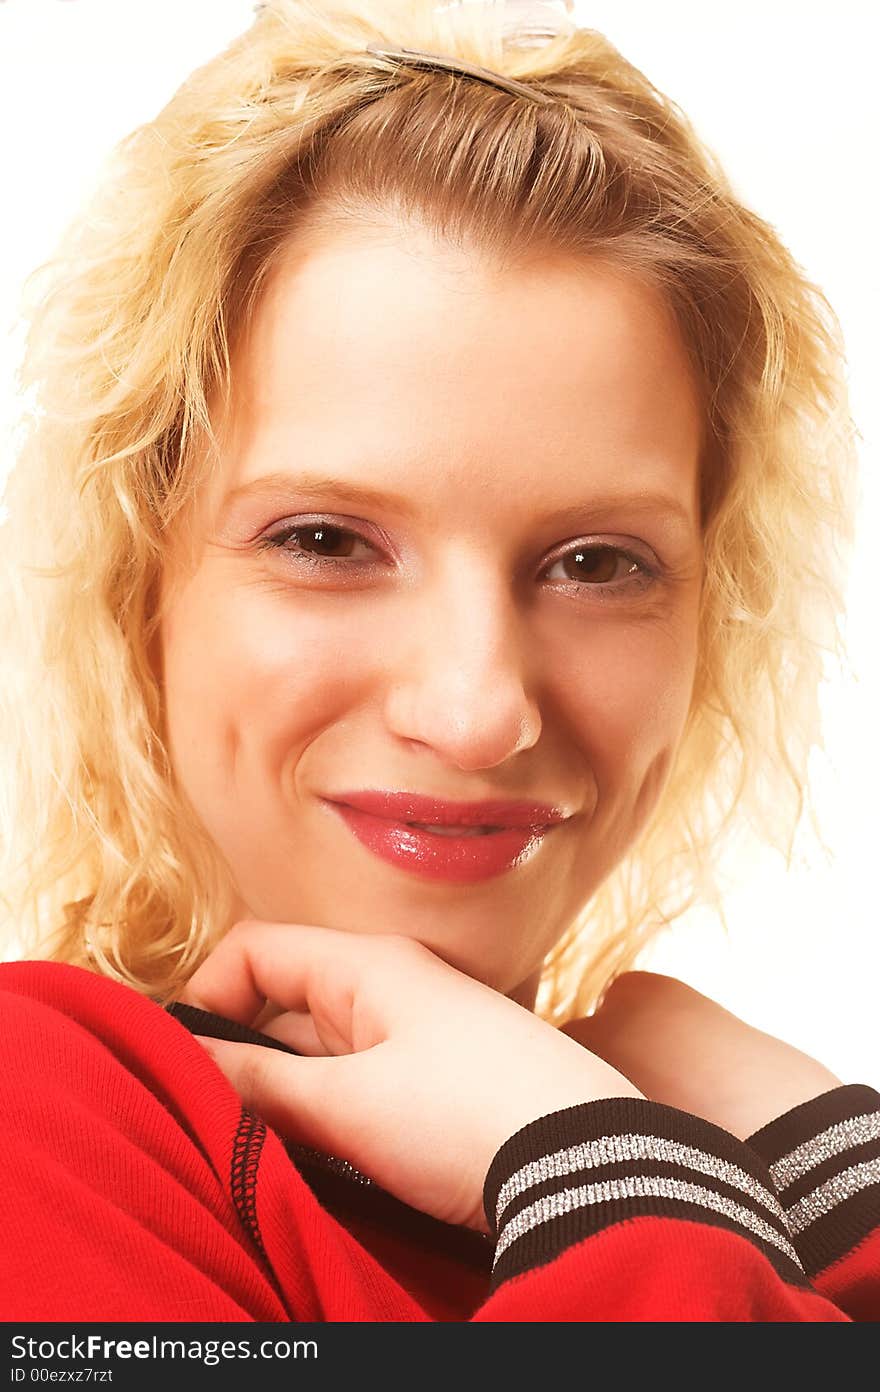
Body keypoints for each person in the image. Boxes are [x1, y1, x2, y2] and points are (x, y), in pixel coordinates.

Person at [0, 0, 876, 1323]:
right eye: (328, 541)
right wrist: (625, 1202)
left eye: (596, 564)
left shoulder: (701, 1154)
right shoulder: (39, 1116)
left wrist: (839, 1189)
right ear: (141, 582)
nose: (478, 711)